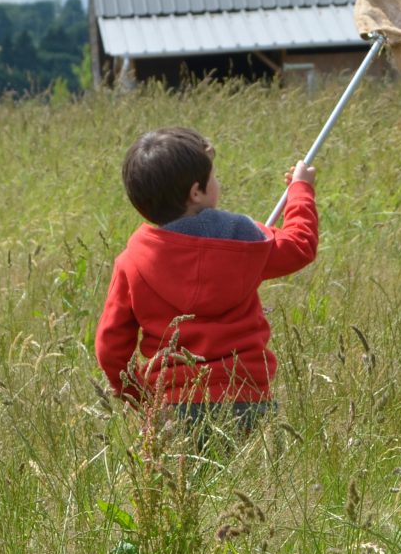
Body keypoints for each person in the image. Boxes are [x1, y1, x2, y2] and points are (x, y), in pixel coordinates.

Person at [94, 126, 319, 436]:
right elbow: (299, 245)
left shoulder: (132, 262)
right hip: (247, 398)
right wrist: (300, 190)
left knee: (175, 472)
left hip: (170, 408)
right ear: (196, 192)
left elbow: (110, 348)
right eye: (213, 176)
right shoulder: (243, 239)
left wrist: (140, 397)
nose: (218, 182)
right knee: (252, 469)